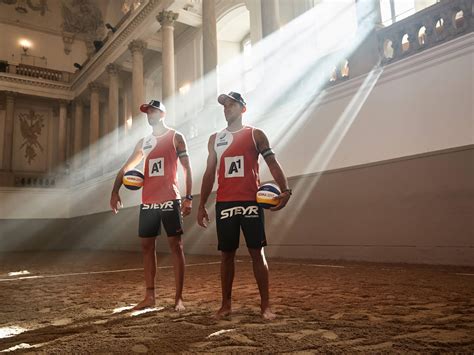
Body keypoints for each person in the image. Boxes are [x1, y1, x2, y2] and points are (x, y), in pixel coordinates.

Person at [197, 92, 291, 320]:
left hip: (251, 201)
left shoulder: (255, 134)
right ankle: (225, 305)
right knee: (226, 255)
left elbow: (272, 162)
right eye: (224, 105)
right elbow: (210, 172)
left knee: (257, 252)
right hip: (225, 203)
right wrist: (201, 204)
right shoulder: (215, 139)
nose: (226, 108)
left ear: (243, 108)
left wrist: (285, 189)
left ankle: (265, 305)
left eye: (231, 104)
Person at [110, 99, 193, 311]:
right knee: (147, 247)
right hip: (148, 202)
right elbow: (127, 166)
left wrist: (189, 197)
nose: (150, 114)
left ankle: (178, 298)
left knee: (176, 246)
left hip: (169, 200)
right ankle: (150, 297)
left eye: (154, 110)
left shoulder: (175, 137)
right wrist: (115, 190)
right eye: (148, 112)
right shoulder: (144, 142)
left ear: (162, 113)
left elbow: (187, 168)